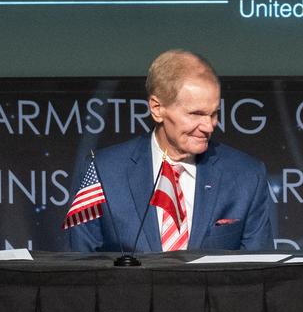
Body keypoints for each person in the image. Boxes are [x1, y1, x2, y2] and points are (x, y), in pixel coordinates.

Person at [64, 49, 274, 252]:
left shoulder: (246, 176)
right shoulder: (103, 171)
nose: (208, 126)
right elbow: (80, 269)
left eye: (214, 114)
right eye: (196, 114)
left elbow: (258, 274)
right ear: (157, 109)